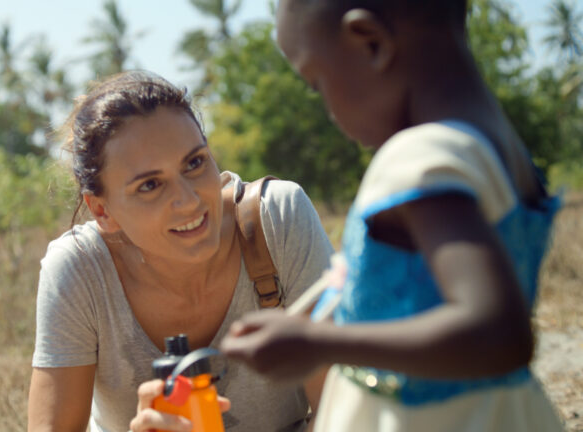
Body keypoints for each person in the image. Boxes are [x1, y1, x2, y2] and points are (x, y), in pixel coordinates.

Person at [220, 1, 565, 431]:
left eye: (316, 82)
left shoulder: (418, 158)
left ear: (371, 43)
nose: (327, 108)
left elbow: (497, 331)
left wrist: (317, 343)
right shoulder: (502, 149)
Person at [27, 70, 335, 432]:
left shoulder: (275, 221)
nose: (189, 201)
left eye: (194, 163)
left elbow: (344, 412)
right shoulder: (80, 269)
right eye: (150, 185)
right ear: (102, 210)